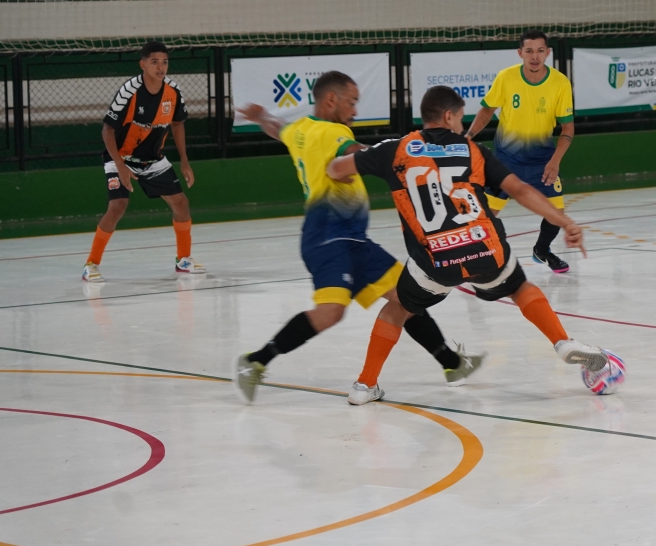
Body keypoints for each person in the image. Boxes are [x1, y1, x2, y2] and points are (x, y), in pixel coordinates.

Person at [328, 85, 615, 392]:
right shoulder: (473, 151)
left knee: (398, 308)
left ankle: (365, 385)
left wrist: (344, 171)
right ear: (448, 116)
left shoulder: (395, 150)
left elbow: (336, 168)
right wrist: (565, 221)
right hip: (484, 250)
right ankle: (561, 341)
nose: (461, 125)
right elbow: (520, 190)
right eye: (461, 118)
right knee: (519, 288)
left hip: (435, 260)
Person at [233, 71, 482, 406]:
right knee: (330, 312)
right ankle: (255, 362)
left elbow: (277, 128)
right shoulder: (335, 132)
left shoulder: (301, 130)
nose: (354, 111)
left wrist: (260, 115)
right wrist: (412, 158)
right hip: (330, 237)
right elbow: (359, 151)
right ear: (331, 99)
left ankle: (452, 364)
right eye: (351, 102)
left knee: (406, 298)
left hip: (352, 239)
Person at [82, 40, 203, 282]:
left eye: (165, 62)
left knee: (181, 203)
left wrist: (184, 160)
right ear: (143, 64)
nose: (161, 67)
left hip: (152, 159)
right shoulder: (130, 91)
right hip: (121, 156)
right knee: (118, 206)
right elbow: (107, 130)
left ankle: (183, 260)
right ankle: (91, 264)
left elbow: (178, 124)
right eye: (155, 62)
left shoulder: (173, 91)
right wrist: (120, 166)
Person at [465, 29, 576, 272]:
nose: (534, 56)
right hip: (506, 160)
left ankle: (542, 251)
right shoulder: (506, 77)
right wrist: (468, 137)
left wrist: (555, 161)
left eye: (540, 51)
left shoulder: (560, 82)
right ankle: (473, 259)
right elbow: (487, 110)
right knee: (487, 215)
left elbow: (568, 127)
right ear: (520, 53)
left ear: (548, 53)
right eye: (529, 51)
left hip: (542, 161)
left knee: (556, 214)